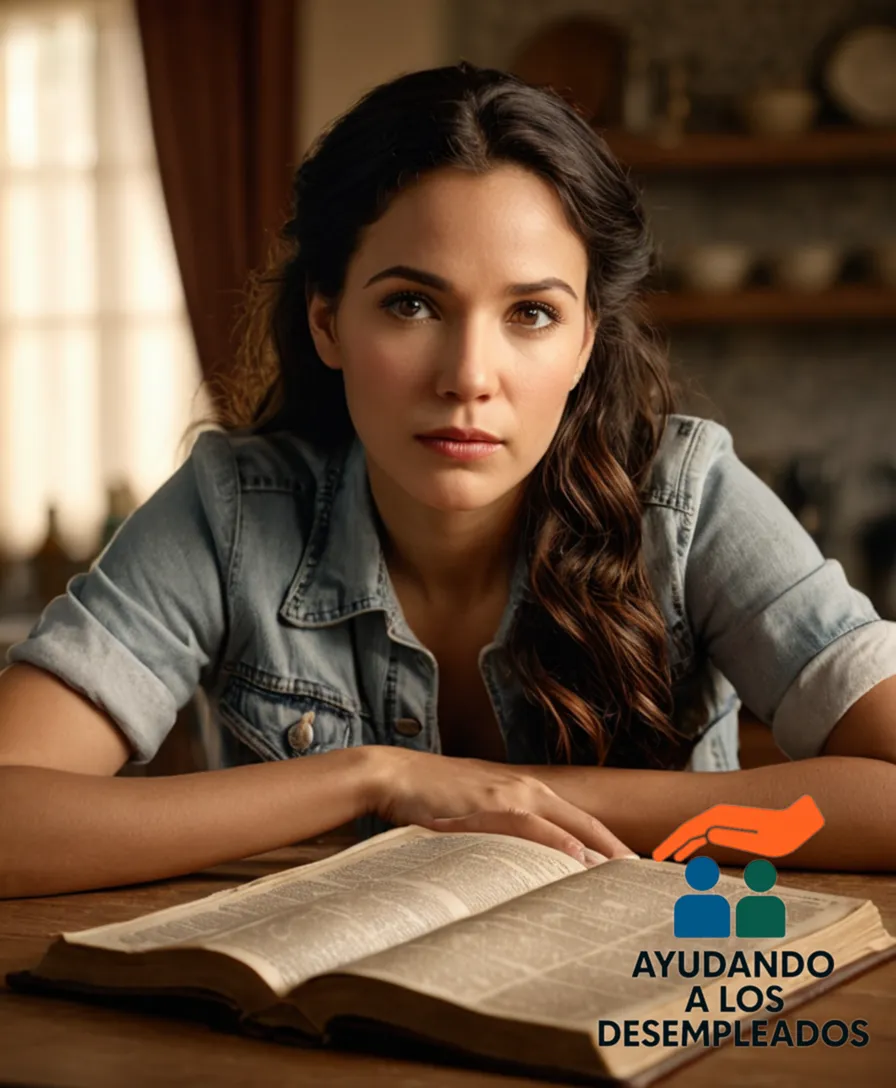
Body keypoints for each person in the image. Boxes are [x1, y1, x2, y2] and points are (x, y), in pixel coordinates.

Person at [1, 62, 895, 901]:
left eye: (531, 314)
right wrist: (377, 777)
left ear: (585, 340)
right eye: (412, 304)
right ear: (327, 321)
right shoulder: (231, 512)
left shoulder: (688, 502)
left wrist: (511, 798)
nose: (470, 374)